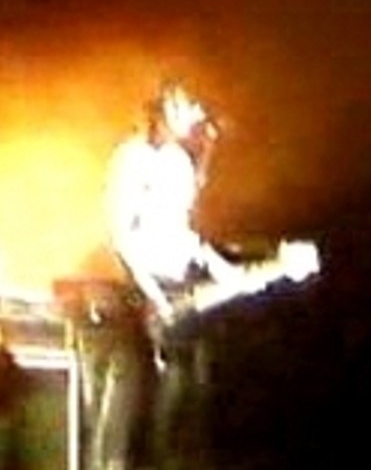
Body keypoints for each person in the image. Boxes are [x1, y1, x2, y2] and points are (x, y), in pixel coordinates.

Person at [99, 81, 251, 470]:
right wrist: (151, 294)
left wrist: (215, 263)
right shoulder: (129, 158)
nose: (193, 113)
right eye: (183, 106)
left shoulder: (179, 162)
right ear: (162, 111)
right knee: (137, 387)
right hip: (138, 289)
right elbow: (120, 235)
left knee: (188, 383)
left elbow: (180, 229)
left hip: (176, 282)